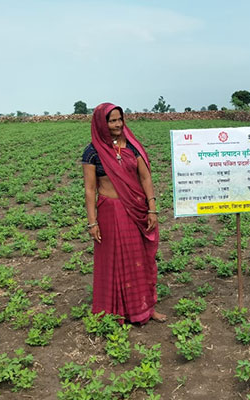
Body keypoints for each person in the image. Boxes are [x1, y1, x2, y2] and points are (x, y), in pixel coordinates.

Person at [81, 102, 166, 324]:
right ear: (102, 123)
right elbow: (90, 189)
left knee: (141, 259)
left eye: (120, 119)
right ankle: (115, 312)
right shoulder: (92, 153)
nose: (118, 124)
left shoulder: (133, 147)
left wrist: (152, 207)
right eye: (112, 120)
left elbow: (146, 177)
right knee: (113, 261)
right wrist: (92, 222)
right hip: (109, 212)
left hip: (135, 210)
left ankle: (146, 309)